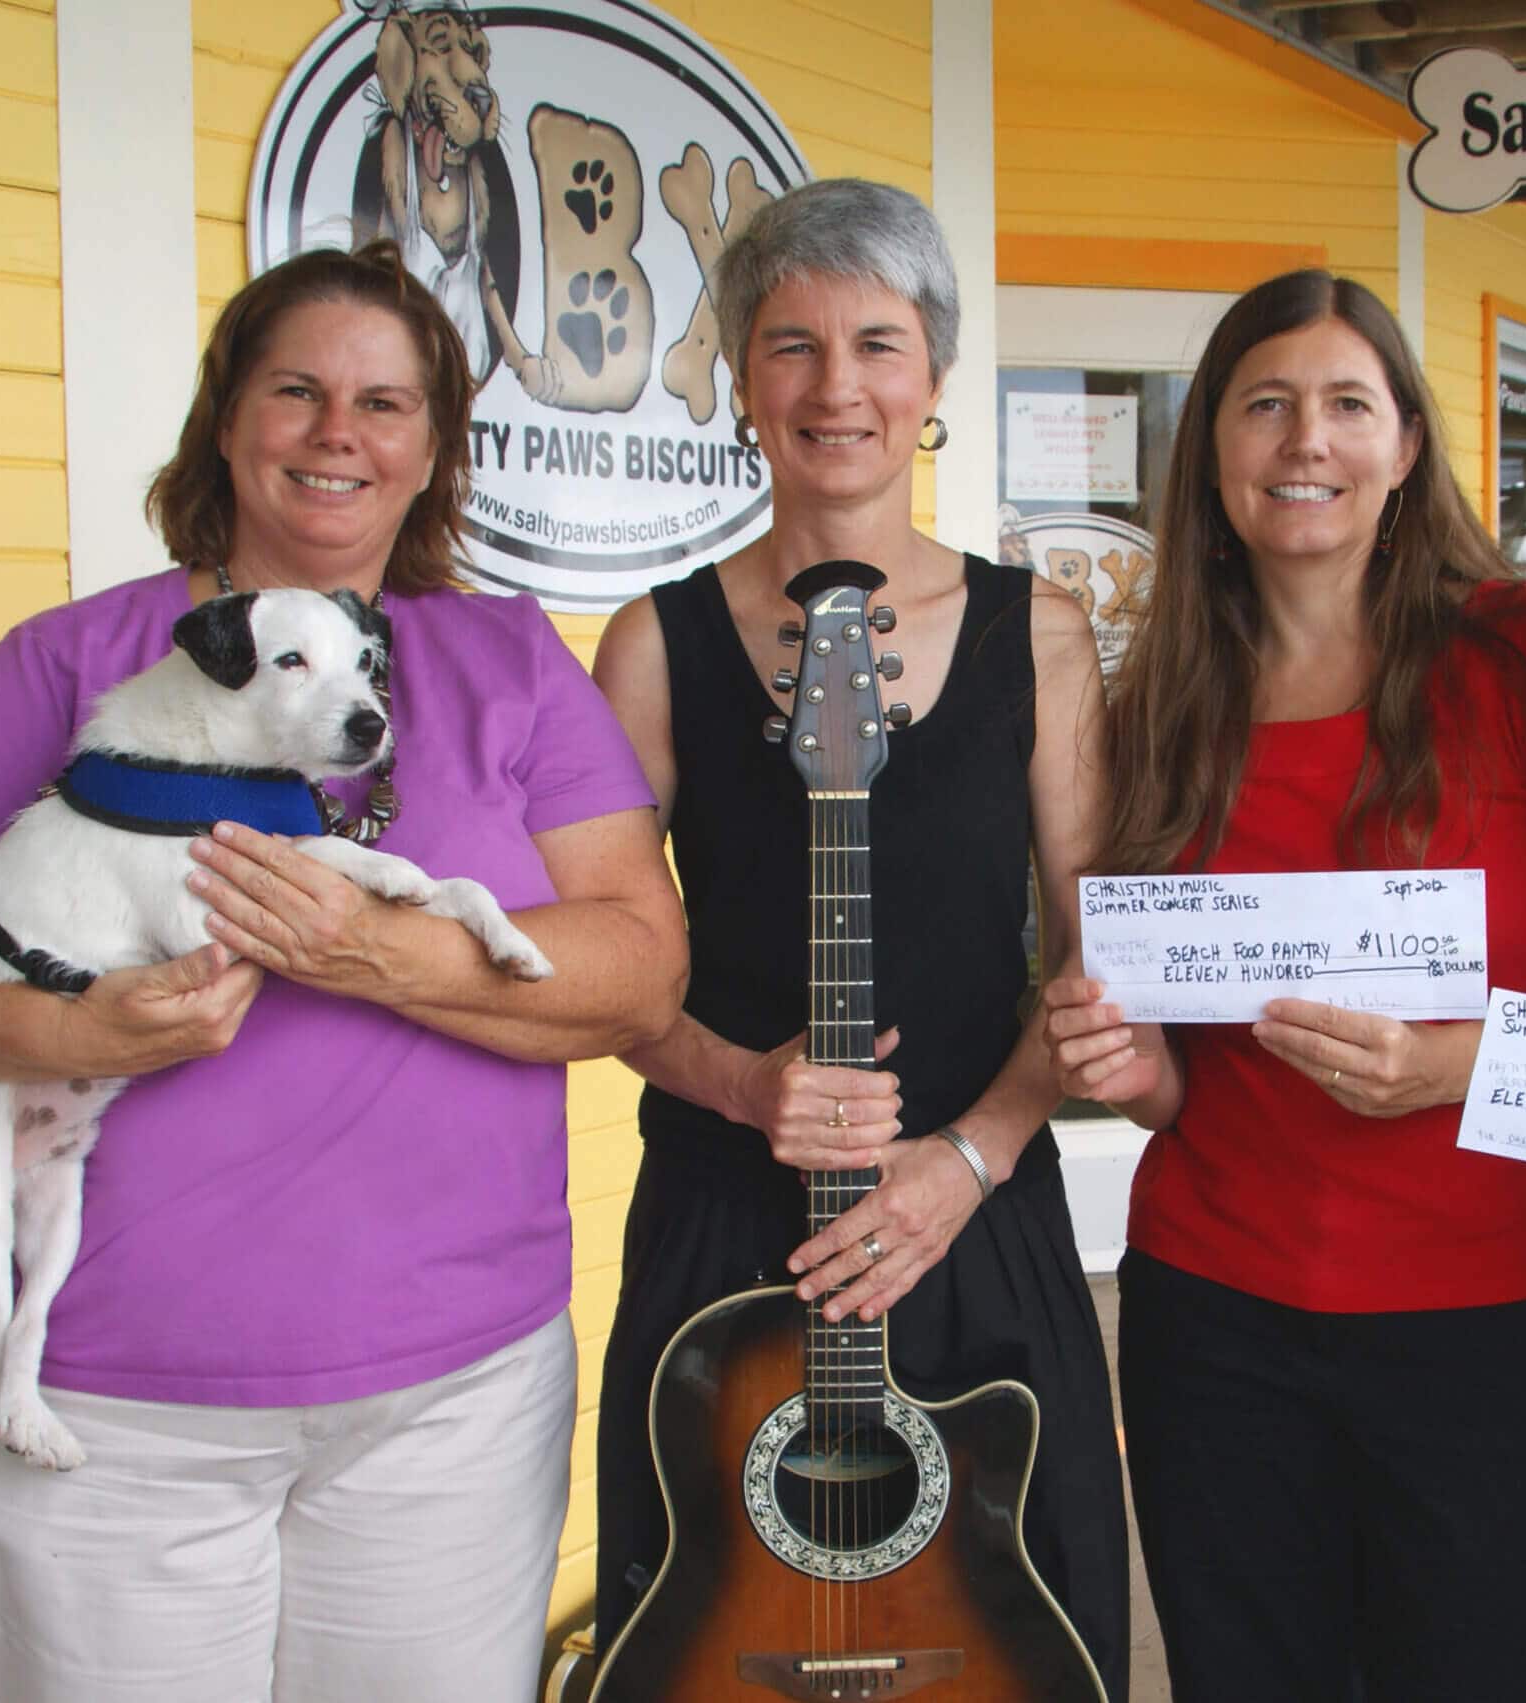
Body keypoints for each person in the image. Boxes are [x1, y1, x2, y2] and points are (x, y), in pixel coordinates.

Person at [0, 240, 687, 1703]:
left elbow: (641, 969)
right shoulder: (82, 659)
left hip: (451, 1403)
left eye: (386, 403)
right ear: (228, 419)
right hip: (102, 1405)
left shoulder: (508, 660)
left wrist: (372, 950)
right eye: (298, 390)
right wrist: (54, 1020)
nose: (340, 432)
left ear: (433, 449)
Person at [1041, 270, 1526, 1701]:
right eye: (1264, 407)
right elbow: (1180, 1065)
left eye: (1345, 405)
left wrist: (1453, 1062)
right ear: (1213, 455)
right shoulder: (1161, 704)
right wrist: (1130, 1072)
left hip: (1510, 1316)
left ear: (1407, 445)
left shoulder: (1525, 657)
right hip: (1223, 1323)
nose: (1303, 441)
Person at [584, 179, 1130, 1697]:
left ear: (933, 380)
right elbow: (602, 976)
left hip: (971, 1213)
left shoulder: (1041, 634)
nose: (838, 388)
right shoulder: (657, 642)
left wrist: (972, 1158)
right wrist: (740, 1085)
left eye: (879, 345)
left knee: (1019, 1635)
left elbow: (1093, 960)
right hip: (723, 1234)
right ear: (744, 383)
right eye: (792, 345)